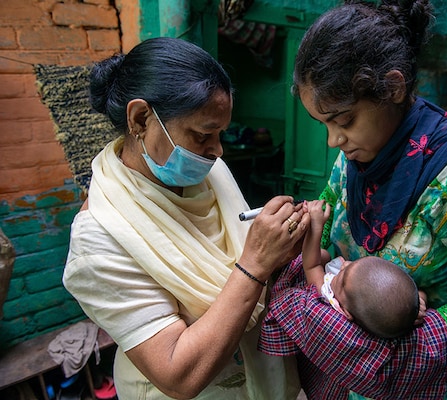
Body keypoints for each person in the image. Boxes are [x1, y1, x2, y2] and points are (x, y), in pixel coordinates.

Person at [260, 1, 447, 399]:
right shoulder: (359, 154)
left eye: (344, 121)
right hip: (346, 379)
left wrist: (406, 343)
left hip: (419, 382)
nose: (333, 140)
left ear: (394, 88)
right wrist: (303, 226)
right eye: (324, 124)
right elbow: (332, 222)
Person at [62, 36, 311, 400]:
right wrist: (257, 262)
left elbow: (236, 257)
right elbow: (178, 374)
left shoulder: (211, 173)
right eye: (202, 135)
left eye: (220, 134)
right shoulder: (100, 237)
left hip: (265, 380)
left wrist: (281, 249)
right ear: (141, 118)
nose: (217, 150)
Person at [301, 199, 422, 339]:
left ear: (346, 312)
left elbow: (311, 266)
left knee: (323, 255)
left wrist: (316, 226)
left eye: (342, 280)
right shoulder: (367, 311)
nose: (345, 265)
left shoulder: (328, 301)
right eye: (353, 263)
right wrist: (418, 303)